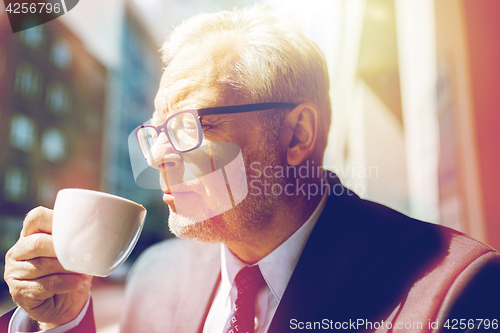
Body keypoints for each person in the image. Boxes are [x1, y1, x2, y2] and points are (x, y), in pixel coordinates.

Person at [2, 5, 500, 333]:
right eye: (154, 133)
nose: (156, 157)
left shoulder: (457, 291)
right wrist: (66, 321)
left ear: (298, 135)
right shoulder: (155, 278)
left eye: (190, 127)